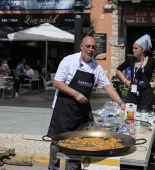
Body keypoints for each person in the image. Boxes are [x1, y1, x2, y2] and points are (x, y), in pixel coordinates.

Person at [47, 36, 125, 170]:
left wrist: (121, 103)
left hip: (82, 112)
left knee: (81, 142)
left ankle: (72, 168)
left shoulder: (96, 67)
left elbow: (108, 86)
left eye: (93, 47)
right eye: (88, 46)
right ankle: (53, 167)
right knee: (57, 141)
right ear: (81, 47)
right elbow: (57, 82)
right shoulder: (69, 61)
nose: (90, 49)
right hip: (64, 109)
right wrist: (76, 94)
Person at [116, 34, 155, 110]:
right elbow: (118, 69)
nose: (133, 50)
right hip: (132, 96)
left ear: (143, 50)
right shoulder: (131, 60)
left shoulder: (151, 61)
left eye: (136, 48)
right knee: (129, 118)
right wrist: (125, 81)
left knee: (143, 119)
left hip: (146, 97)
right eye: (133, 48)